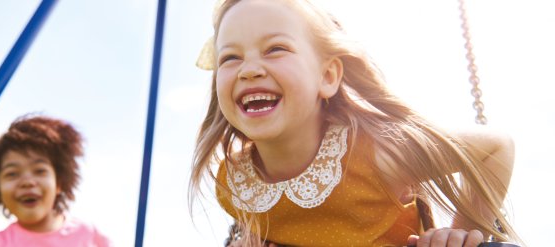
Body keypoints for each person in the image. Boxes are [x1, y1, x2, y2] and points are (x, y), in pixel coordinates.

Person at [188, 0, 522, 246]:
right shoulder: (236, 182)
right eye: (230, 57)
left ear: (328, 76)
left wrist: (461, 231)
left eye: (275, 49)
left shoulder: (375, 156)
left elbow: (496, 147)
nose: (249, 70)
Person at [0, 114, 112, 247]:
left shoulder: (88, 235)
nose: (27, 182)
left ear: (59, 183)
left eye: (39, 171)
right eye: (12, 174)